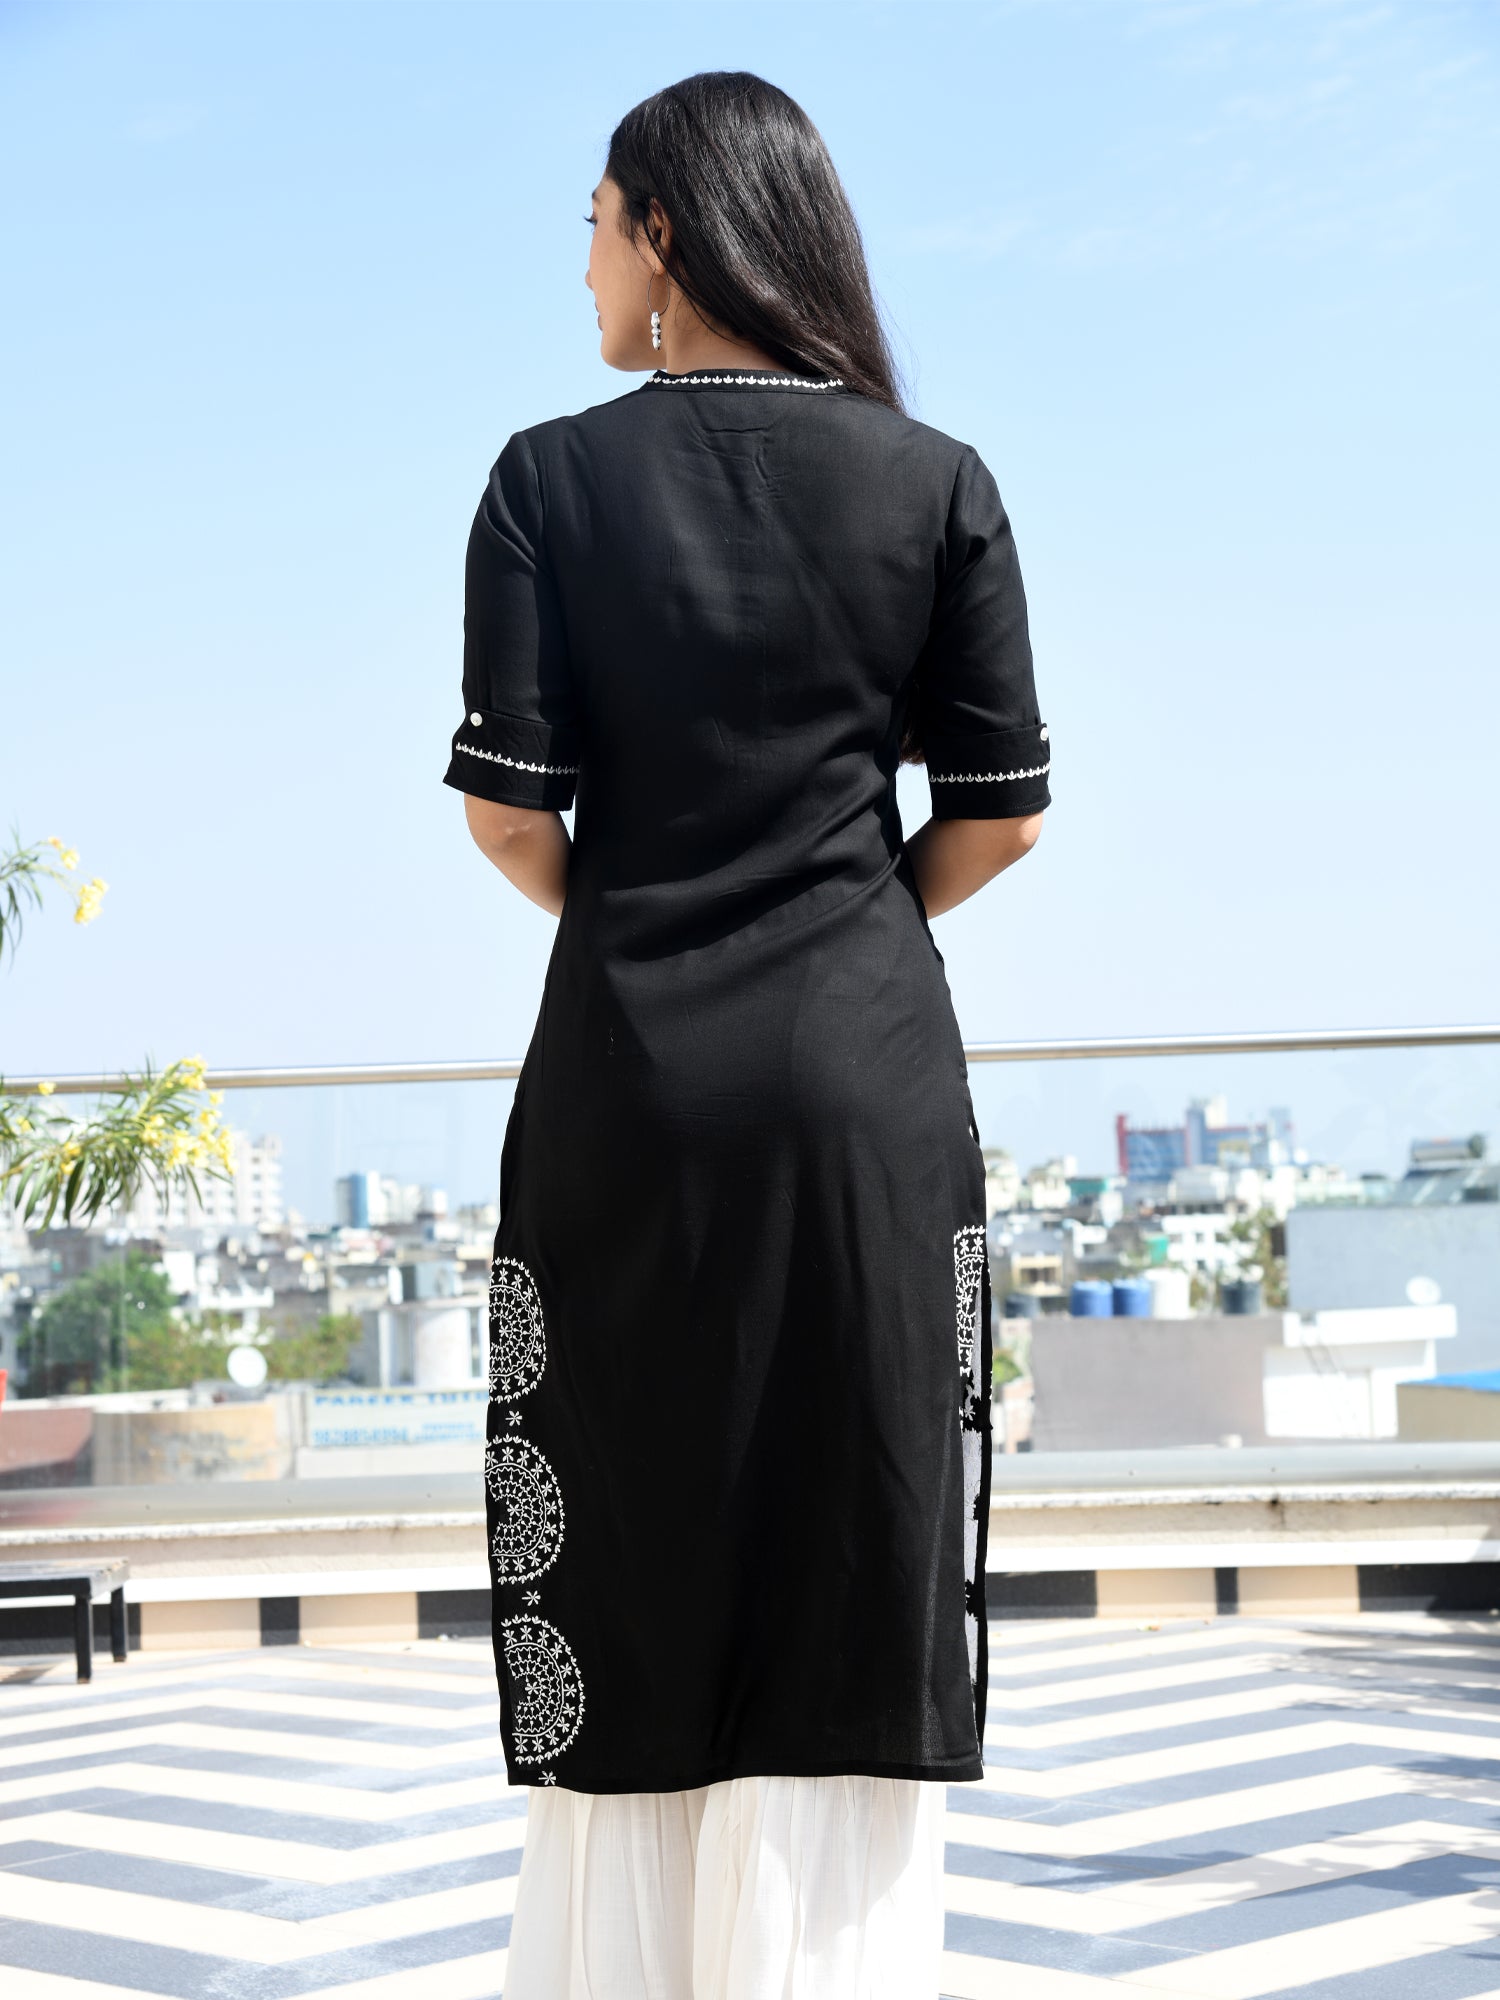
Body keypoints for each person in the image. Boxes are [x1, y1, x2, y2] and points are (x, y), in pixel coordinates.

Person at [442, 69, 1049, 2000]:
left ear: (668, 234)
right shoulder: (936, 480)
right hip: (864, 1093)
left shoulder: (547, 480)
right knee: (854, 1543)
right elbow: (1001, 814)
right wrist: (841, 924)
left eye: (593, 227)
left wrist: (649, 933)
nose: (585, 269)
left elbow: (510, 820)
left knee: (625, 1548)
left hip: (625, 1091)